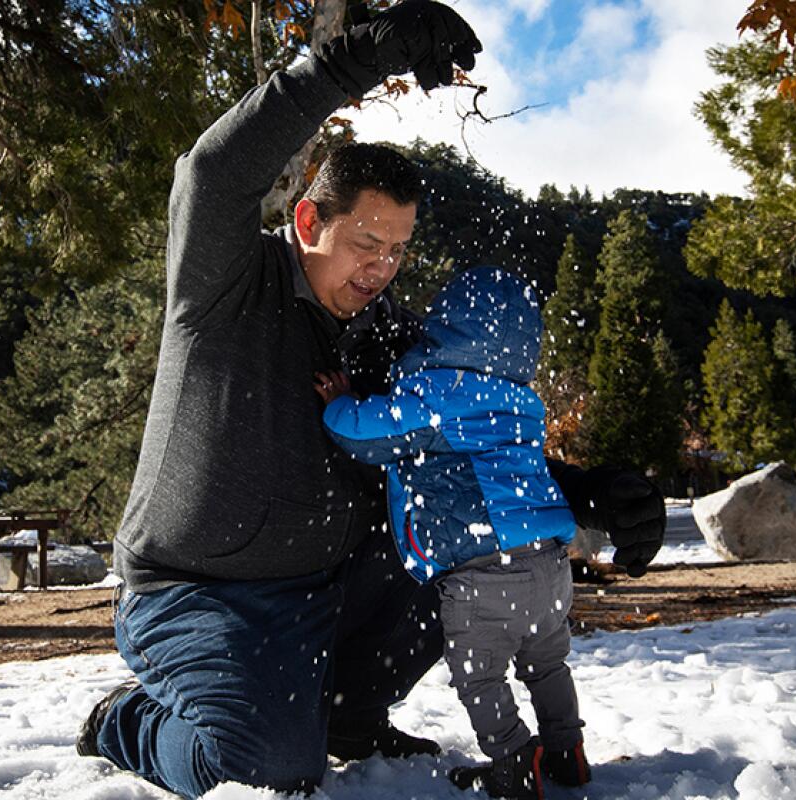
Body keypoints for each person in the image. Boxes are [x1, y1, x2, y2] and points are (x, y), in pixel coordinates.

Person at [75, 1, 663, 796]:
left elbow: (467, 436)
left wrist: (592, 492)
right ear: (310, 219)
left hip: (328, 589)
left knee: (464, 552)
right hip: (196, 590)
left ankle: (352, 714)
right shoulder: (227, 284)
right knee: (266, 763)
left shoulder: (386, 333)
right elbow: (209, 175)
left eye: (398, 251)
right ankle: (128, 720)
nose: (382, 268)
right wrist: (351, 62)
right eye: (366, 243)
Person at [316, 267, 600, 799]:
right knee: (546, 664)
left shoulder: (436, 394)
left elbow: (368, 434)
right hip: (550, 566)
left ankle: (513, 761)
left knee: (479, 675)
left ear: (445, 324)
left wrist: (340, 402)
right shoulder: (521, 399)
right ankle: (566, 750)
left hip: (485, 572)